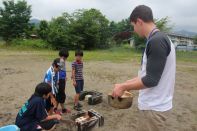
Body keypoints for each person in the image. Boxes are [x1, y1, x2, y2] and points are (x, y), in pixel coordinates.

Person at [112, 5, 176, 131]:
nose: (134, 30)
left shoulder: (156, 41)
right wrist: (125, 83)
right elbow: (147, 74)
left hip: (153, 109)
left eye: (133, 25)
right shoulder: (160, 38)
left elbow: (151, 80)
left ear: (139, 21)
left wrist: (124, 87)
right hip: (154, 107)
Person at [55, 48, 70, 113]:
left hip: (62, 79)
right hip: (60, 80)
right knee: (61, 94)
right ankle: (61, 109)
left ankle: (56, 108)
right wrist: (58, 79)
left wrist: (65, 76)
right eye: (65, 57)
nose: (64, 59)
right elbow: (56, 71)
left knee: (60, 94)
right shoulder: (61, 61)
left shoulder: (61, 61)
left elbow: (62, 71)